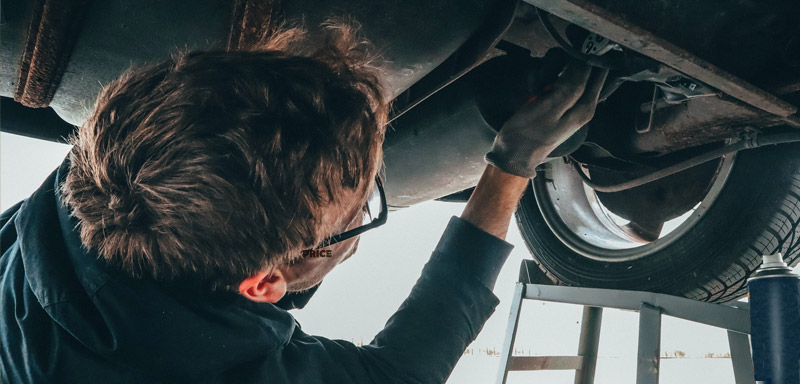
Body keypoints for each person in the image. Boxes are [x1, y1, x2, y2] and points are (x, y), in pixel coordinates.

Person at [0, 23, 607, 383]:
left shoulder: (112, 162)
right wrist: (510, 166)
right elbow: (399, 374)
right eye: (358, 212)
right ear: (263, 283)